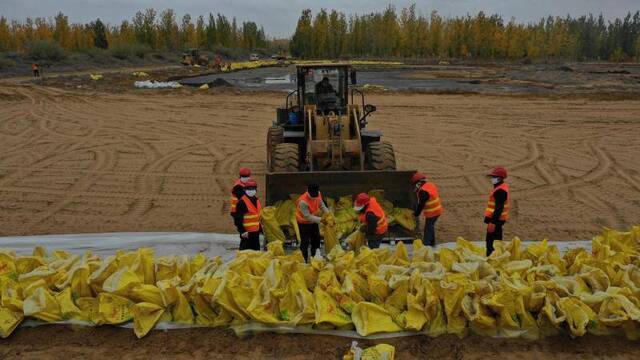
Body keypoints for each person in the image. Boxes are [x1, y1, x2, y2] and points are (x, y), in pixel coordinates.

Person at [295, 183, 329, 262]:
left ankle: (314, 259)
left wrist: (328, 213)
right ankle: (304, 260)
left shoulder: (318, 194)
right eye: (313, 196)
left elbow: (321, 205)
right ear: (309, 192)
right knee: (305, 242)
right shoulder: (303, 201)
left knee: (316, 240)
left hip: (313, 221)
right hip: (303, 223)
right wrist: (321, 220)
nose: (315, 197)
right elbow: (307, 216)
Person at [411, 172, 443, 246]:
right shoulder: (430, 185)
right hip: (438, 210)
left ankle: (426, 245)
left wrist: (416, 214)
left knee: (428, 228)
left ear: (418, 183)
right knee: (430, 226)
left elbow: (421, 204)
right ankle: (432, 242)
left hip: (432, 212)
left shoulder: (423, 191)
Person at [484, 167, 510, 256]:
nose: (492, 179)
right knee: (497, 241)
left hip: (496, 220)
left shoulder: (500, 191)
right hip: (497, 220)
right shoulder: (501, 187)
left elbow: (499, 208)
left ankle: (491, 258)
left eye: (493, 177)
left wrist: (492, 223)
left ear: (499, 178)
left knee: (491, 242)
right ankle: (497, 257)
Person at [233, 179, 261, 250]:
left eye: (253, 188)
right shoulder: (241, 202)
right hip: (246, 233)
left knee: (256, 254)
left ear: (256, 189)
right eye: (249, 188)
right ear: (245, 190)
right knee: (244, 254)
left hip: (256, 232)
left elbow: (257, 216)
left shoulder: (256, 200)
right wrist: (242, 231)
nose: (251, 190)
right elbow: (237, 219)